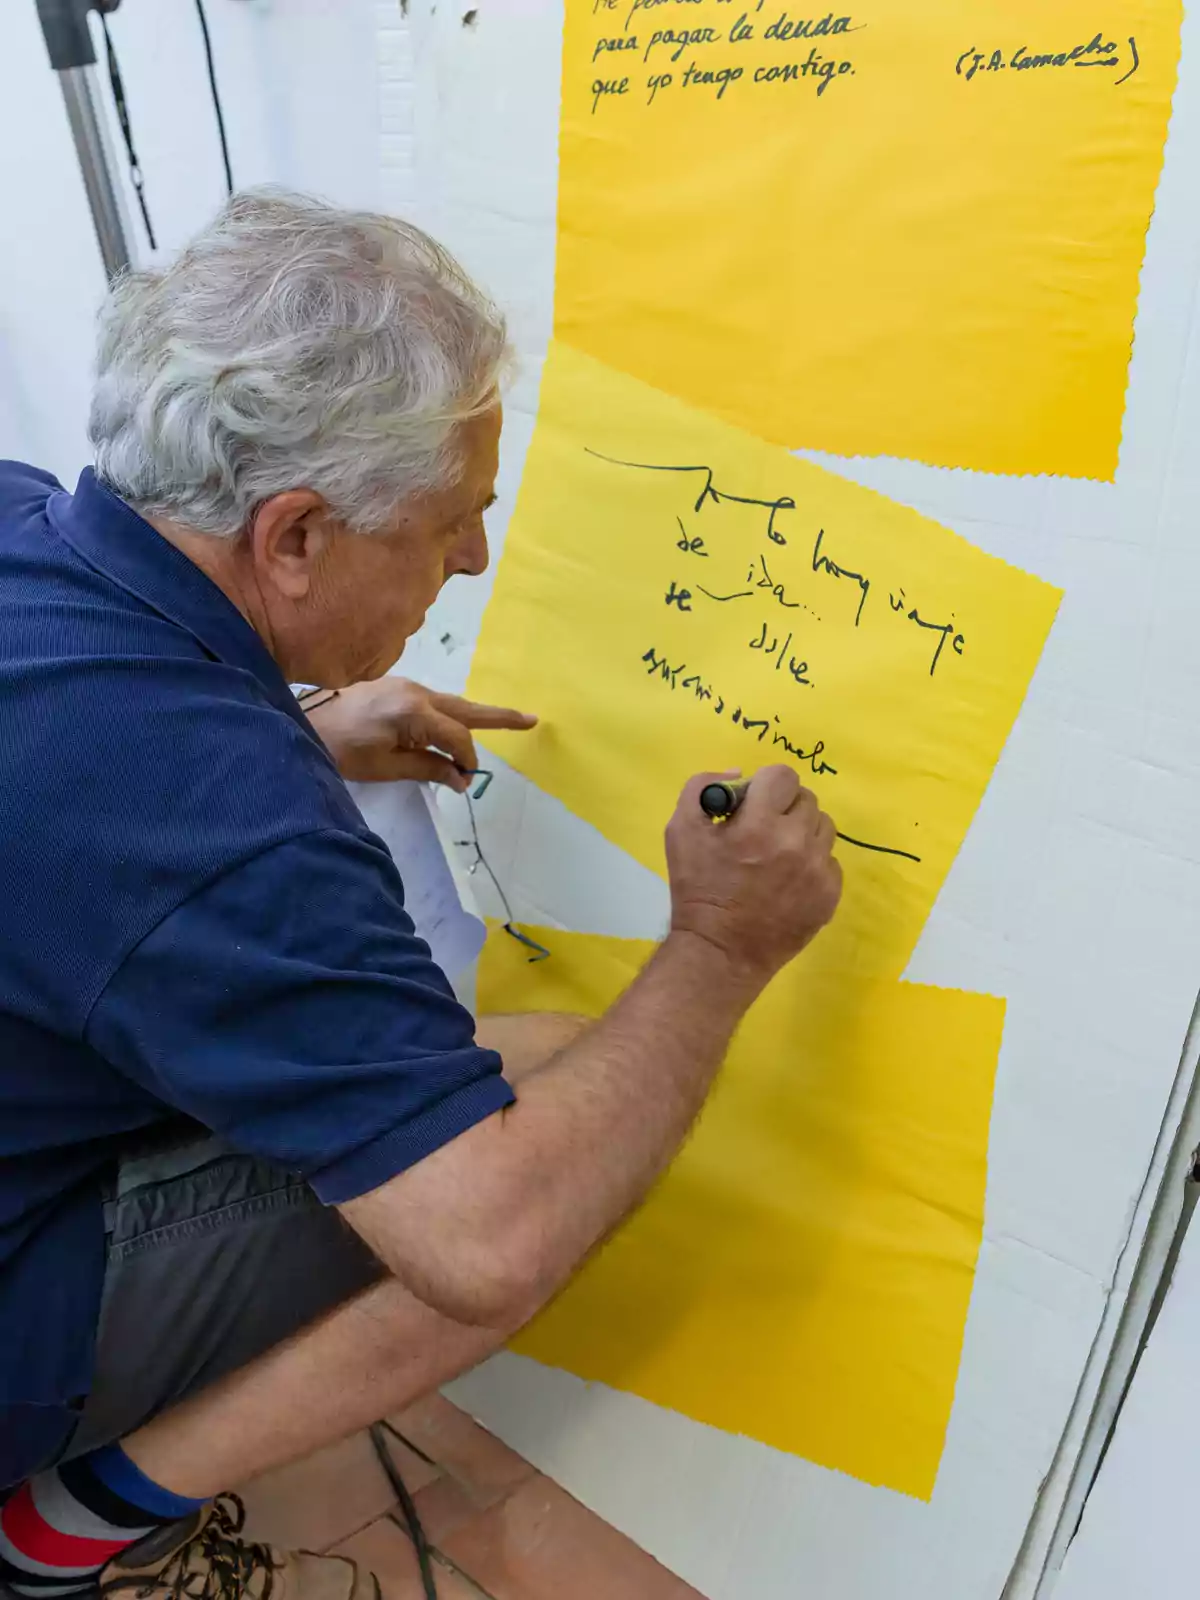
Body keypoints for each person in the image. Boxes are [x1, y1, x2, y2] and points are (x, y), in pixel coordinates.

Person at [0, 190, 842, 1600]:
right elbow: (486, 1243)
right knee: (550, 1115)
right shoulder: (221, 827)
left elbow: (77, 794)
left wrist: (295, 731)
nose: (475, 561)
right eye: (454, 519)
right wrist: (716, 945)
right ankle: (68, 1521)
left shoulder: (27, 519)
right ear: (292, 539)